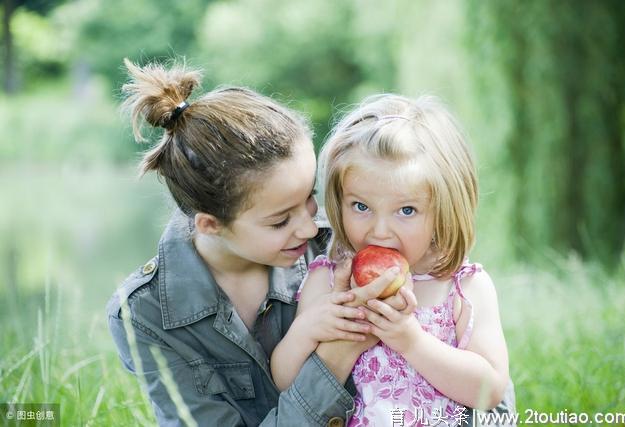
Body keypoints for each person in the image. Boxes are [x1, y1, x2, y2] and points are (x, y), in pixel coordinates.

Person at [106, 59, 405, 426]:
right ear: (211, 224)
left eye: (309, 197)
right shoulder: (146, 314)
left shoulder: (342, 246)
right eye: (280, 220)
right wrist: (338, 353)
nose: (310, 229)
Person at [270, 94, 515, 426]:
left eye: (407, 211)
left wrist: (410, 340)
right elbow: (285, 381)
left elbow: (490, 390)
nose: (380, 232)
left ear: (443, 213)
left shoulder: (464, 287)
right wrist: (311, 327)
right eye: (360, 206)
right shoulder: (327, 281)